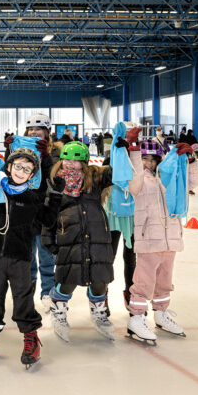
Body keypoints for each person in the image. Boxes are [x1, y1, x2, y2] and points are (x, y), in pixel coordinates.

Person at [0, 148, 64, 367]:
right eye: (17, 166)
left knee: (23, 297)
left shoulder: (32, 198)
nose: (21, 171)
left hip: (20, 258)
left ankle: (30, 337)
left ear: (32, 174)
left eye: (27, 169)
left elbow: (48, 220)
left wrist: (55, 196)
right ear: (8, 167)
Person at [120, 135, 198, 344]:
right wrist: (135, 152)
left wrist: (190, 160)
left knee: (165, 280)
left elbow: (193, 182)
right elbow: (135, 181)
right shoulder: (138, 178)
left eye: (152, 159)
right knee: (144, 281)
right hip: (149, 238)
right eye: (145, 159)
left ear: (160, 159)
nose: (148, 163)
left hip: (171, 237)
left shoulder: (170, 176)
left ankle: (161, 313)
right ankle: (137, 318)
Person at [47, 141, 117, 342]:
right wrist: (49, 240)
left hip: (97, 238)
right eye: (67, 159)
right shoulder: (55, 182)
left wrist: (120, 150)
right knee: (68, 279)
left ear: (85, 163)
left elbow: (116, 173)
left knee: (100, 280)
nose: (70, 164)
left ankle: (99, 313)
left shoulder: (94, 180)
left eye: (76, 161)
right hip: (69, 239)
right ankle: (58, 311)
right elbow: (48, 214)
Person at [4, 113, 57, 312]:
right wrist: (8, 150)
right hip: (22, 210)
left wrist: (46, 158)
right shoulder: (21, 147)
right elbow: (8, 174)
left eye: (39, 129)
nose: (34, 132)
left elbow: (53, 179)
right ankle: (27, 292)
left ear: (46, 132)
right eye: (31, 130)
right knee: (26, 258)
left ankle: (48, 293)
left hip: (43, 210)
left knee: (45, 256)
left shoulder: (55, 151)